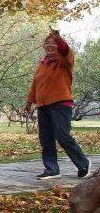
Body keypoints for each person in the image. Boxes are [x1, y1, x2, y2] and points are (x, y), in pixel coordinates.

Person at [26, 30, 91, 180]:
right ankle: (52, 169)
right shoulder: (41, 64)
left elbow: (65, 49)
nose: (49, 45)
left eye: (53, 43)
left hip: (60, 104)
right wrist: (29, 102)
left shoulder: (64, 60)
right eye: (47, 42)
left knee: (62, 136)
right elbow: (35, 84)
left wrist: (57, 38)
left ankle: (83, 164)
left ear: (58, 45)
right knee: (46, 138)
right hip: (43, 106)